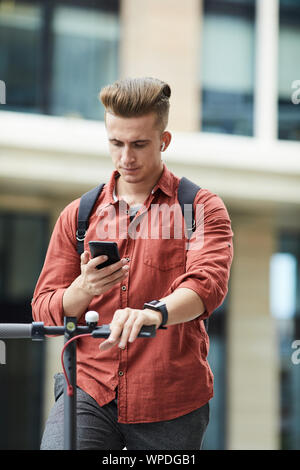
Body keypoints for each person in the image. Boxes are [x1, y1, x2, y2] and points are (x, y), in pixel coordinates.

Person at [32, 77, 233, 450]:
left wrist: (152, 314)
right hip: (89, 390)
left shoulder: (201, 209)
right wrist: (82, 290)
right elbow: (44, 309)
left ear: (164, 141)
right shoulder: (78, 215)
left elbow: (207, 285)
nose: (126, 157)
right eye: (116, 143)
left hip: (171, 399)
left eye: (139, 144)